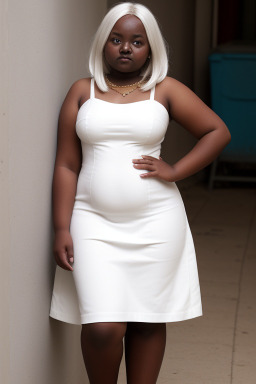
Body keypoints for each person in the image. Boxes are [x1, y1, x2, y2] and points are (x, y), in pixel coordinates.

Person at [49, 2, 231, 383]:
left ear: (151, 49)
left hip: (155, 224)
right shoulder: (82, 92)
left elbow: (217, 131)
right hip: (92, 222)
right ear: (103, 44)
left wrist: (176, 170)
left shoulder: (163, 90)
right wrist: (62, 228)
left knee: (147, 322)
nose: (126, 48)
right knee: (103, 327)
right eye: (116, 39)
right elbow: (67, 165)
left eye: (137, 41)